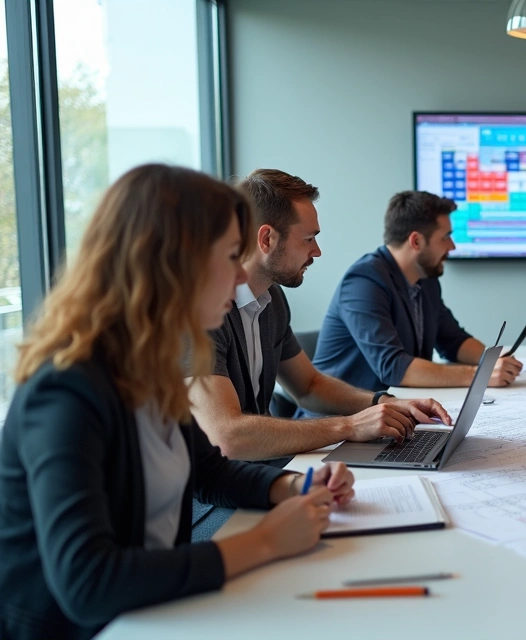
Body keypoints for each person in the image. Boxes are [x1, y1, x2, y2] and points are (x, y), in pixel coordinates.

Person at [0, 165, 357, 640]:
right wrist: (266, 541)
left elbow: (208, 471)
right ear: (172, 264)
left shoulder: (149, 363)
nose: (237, 276)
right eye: (230, 257)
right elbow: (87, 582)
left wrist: (294, 488)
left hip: (152, 612)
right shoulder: (66, 388)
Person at [189, 170, 450, 461]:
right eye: (309, 238)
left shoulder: (272, 298)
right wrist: (349, 426)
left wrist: (386, 402)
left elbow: (309, 386)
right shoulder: (201, 310)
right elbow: (227, 438)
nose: (317, 251)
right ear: (267, 239)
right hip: (216, 494)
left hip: (261, 468)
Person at [309, 190, 523, 392]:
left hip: (393, 413)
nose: (452, 246)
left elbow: (453, 340)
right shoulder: (364, 282)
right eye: (446, 237)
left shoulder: (425, 280)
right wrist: (481, 375)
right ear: (416, 241)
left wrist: (492, 358)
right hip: (340, 421)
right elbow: (393, 367)